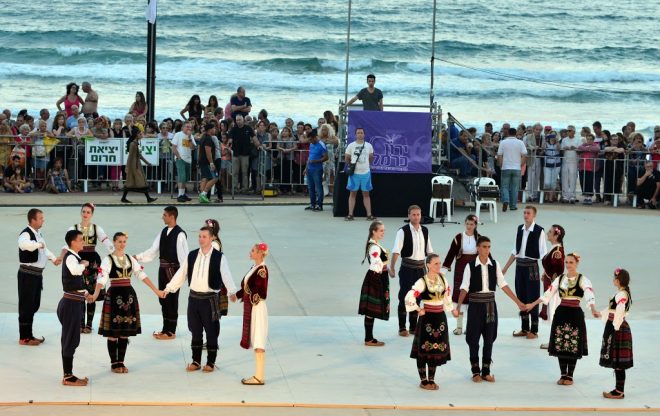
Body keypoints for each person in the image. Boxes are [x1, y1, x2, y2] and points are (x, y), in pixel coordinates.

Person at [163, 227, 238, 372]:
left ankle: (210, 362)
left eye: (204, 236)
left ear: (211, 238)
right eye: (199, 236)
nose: (201, 239)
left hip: (210, 300)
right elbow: (181, 274)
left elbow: (226, 275)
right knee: (195, 331)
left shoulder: (219, 257)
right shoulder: (191, 255)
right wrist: (168, 288)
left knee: (211, 331)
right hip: (193, 299)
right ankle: (196, 361)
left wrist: (232, 291)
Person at [454, 236, 525, 382]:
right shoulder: (470, 266)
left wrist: (518, 302)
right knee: (473, 339)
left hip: (490, 306)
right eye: (484, 247)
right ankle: (475, 372)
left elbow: (503, 284)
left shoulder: (495, 264)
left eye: (489, 247)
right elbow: (464, 287)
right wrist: (459, 307)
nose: (487, 250)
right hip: (475, 306)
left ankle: (486, 371)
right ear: (478, 248)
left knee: (489, 338)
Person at [91, 232, 162, 373]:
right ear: (114, 242)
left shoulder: (130, 259)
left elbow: (141, 275)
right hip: (114, 296)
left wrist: (156, 290)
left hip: (128, 295)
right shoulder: (108, 260)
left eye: (124, 241)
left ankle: (121, 362)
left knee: (124, 332)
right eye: (119, 241)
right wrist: (95, 294)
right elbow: (102, 278)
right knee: (113, 332)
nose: (122, 244)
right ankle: (114, 363)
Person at [525, 253, 600, 386]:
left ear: (577, 263)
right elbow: (547, 294)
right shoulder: (560, 279)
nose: (568, 265)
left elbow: (589, 295)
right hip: (561, 313)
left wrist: (593, 309)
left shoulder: (583, 280)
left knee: (572, 345)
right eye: (566, 262)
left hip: (575, 314)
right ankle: (563, 374)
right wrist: (532, 304)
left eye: (571, 262)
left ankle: (570, 376)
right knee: (560, 343)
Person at [135, 206, 189, 340]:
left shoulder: (180, 235)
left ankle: (171, 332)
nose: (162, 217)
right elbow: (153, 251)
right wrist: (137, 257)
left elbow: (184, 259)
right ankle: (165, 329)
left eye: (164, 215)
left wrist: (181, 277)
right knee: (163, 299)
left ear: (172, 216)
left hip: (174, 272)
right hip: (162, 271)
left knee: (172, 300)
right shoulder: (163, 231)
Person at [63, 203, 114, 333]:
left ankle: (89, 324)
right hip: (78, 259)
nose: (85, 214)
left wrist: (115, 253)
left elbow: (106, 242)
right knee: (80, 291)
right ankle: (80, 323)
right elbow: (66, 245)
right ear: (81, 213)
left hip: (92, 262)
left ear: (92, 214)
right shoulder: (73, 228)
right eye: (83, 211)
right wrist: (60, 257)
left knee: (91, 293)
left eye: (88, 212)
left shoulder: (96, 228)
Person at [404, 253, 452, 390]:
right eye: (436, 263)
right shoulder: (422, 281)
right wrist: (418, 309)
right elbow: (410, 296)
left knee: (435, 349)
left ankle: (431, 379)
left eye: (439, 263)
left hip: (440, 318)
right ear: (428, 265)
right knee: (423, 349)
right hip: (427, 319)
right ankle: (423, 381)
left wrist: (451, 309)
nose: (439, 265)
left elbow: (447, 295)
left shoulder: (443, 279)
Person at [17, 208, 62, 345]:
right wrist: (38, 244)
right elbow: (23, 245)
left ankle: (29, 335)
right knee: (26, 306)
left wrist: (53, 259)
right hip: (27, 275)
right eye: (41, 218)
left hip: (36, 275)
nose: (43, 220)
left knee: (33, 305)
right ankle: (24, 338)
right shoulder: (26, 233)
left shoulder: (38, 234)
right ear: (33, 220)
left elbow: (44, 250)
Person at [502, 206, 547, 339]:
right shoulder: (520, 229)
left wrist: (545, 271)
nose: (526, 215)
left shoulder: (539, 231)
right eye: (525, 213)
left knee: (532, 297)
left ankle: (534, 330)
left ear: (534, 215)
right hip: (519, 267)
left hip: (532, 267)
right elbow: (515, 251)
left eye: (529, 213)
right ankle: (524, 328)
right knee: (521, 296)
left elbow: (543, 253)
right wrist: (505, 268)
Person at [389, 205, 434, 337]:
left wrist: (433, 269)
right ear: (408, 216)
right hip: (407, 268)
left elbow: (430, 252)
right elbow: (396, 251)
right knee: (404, 296)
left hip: (421, 269)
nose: (416, 217)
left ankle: (413, 327)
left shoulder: (425, 230)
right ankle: (402, 327)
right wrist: (392, 267)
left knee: (418, 297)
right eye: (413, 214)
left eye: (418, 214)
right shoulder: (402, 231)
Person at [58, 229, 93, 386]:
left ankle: (68, 374)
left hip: (74, 302)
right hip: (70, 304)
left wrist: (86, 293)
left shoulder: (74, 257)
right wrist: (83, 264)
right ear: (73, 242)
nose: (83, 242)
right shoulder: (71, 258)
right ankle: (68, 376)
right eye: (81, 240)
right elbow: (74, 270)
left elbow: (75, 283)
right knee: (69, 339)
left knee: (71, 339)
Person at [237, 243, 270, 385]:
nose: (250, 252)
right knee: (256, 338)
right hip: (253, 307)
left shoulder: (262, 270)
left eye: (252, 250)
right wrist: (237, 295)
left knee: (258, 339)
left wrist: (250, 298)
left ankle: (259, 377)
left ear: (260, 253)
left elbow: (262, 292)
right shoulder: (254, 268)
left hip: (257, 308)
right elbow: (247, 287)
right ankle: (258, 376)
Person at [441, 214, 480, 335]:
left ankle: (470, 327)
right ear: (464, 224)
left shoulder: (479, 238)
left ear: (475, 225)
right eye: (467, 224)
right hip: (460, 270)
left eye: (471, 224)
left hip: (474, 270)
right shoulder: (458, 237)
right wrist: (442, 273)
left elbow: (486, 254)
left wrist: (492, 270)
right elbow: (450, 254)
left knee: (472, 298)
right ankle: (459, 327)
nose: (469, 226)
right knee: (460, 297)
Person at [599, 268, 633, 399]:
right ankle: (618, 390)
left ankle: (619, 391)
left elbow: (619, 311)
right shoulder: (621, 293)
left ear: (618, 281)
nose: (613, 280)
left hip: (618, 328)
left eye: (614, 278)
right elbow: (612, 309)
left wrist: (615, 327)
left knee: (619, 363)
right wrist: (600, 314)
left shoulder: (622, 294)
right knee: (618, 362)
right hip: (617, 326)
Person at [358, 221, 389, 347]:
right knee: (371, 310)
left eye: (384, 230)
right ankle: (368, 338)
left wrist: (388, 269)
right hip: (376, 278)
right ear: (373, 231)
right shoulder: (374, 247)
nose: (383, 233)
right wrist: (382, 270)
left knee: (371, 309)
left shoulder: (375, 244)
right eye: (381, 230)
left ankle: (369, 337)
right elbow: (376, 262)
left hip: (376, 276)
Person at [538, 224, 565, 349]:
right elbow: (552, 267)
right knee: (553, 312)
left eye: (550, 232)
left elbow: (559, 270)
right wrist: (546, 273)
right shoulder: (554, 249)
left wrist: (553, 286)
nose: (547, 233)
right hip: (551, 284)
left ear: (556, 236)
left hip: (554, 288)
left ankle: (555, 342)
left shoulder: (557, 251)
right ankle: (555, 340)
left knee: (554, 312)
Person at [344, 127, 375, 220]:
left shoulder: (369, 145)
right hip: (354, 174)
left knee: (366, 194)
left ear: (364, 134)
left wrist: (366, 165)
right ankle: (350, 214)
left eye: (361, 133)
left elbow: (371, 157)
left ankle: (369, 215)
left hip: (366, 173)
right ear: (355, 135)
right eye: (358, 133)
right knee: (352, 193)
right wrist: (352, 166)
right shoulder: (351, 145)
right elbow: (347, 158)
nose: (360, 134)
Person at [121, 129, 157, 203]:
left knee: (132, 181)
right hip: (134, 165)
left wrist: (147, 163)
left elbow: (139, 155)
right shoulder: (133, 144)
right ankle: (148, 198)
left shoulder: (136, 143)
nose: (142, 135)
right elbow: (130, 156)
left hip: (136, 164)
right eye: (140, 134)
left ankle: (124, 198)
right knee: (140, 181)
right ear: (136, 135)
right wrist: (127, 166)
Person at [497, 127, 528, 211]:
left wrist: (501, 165)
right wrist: (520, 164)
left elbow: (499, 155)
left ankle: (506, 200)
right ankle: (513, 205)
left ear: (508, 133)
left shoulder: (503, 142)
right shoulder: (520, 142)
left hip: (506, 167)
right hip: (516, 167)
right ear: (516, 133)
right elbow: (524, 155)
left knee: (505, 186)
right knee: (514, 187)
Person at [304, 128, 328, 211]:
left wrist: (317, 161)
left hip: (317, 169)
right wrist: (306, 168)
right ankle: (312, 204)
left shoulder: (321, 145)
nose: (310, 141)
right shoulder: (311, 144)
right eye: (309, 140)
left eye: (311, 139)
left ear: (315, 137)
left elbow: (326, 157)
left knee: (318, 187)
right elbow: (309, 156)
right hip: (309, 168)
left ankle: (319, 205)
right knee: (311, 187)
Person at [229, 115, 255, 192]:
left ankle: (245, 188)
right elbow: (230, 139)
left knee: (245, 172)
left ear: (243, 120)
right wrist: (229, 143)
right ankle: (235, 188)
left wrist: (259, 145)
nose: (238, 121)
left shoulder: (248, 128)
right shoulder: (233, 129)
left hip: (245, 154)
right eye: (237, 120)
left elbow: (254, 137)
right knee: (235, 172)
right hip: (235, 154)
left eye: (239, 120)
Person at [171, 121, 195, 202]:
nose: (189, 128)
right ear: (183, 127)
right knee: (182, 176)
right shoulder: (178, 134)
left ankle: (183, 194)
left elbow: (192, 147)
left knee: (185, 178)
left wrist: (190, 138)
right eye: (187, 127)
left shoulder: (191, 136)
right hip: (181, 159)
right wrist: (178, 157)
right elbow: (173, 147)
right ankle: (180, 195)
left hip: (188, 159)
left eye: (190, 127)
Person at [197, 123, 218, 204]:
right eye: (214, 128)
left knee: (205, 178)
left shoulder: (203, 137)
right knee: (215, 178)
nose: (215, 130)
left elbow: (199, 150)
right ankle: (204, 193)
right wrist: (211, 163)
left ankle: (202, 197)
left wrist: (198, 161)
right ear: (210, 130)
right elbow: (208, 151)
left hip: (202, 161)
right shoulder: (208, 138)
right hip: (206, 162)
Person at [561, 125, 580, 203]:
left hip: (574, 161)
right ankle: (565, 196)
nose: (568, 132)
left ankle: (572, 196)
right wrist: (564, 148)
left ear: (574, 132)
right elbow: (561, 149)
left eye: (569, 131)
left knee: (573, 178)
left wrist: (575, 148)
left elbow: (580, 150)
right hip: (565, 161)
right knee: (565, 178)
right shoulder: (564, 140)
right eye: (567, 131)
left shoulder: (578, 139)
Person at [542, 132, 561, 202]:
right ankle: (547, 195)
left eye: (554, 136)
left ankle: (550, 197)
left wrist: (557, 141)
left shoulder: (557, 144)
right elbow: (543, 149)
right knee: (547, 182)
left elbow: (559, 149)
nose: (552, 138)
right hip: (547, 164)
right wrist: (545, 140)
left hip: (556, 164)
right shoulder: (546, 143)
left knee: (553, 182)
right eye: (551, 136)